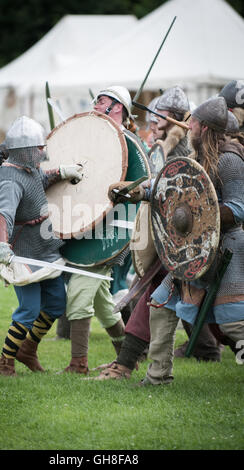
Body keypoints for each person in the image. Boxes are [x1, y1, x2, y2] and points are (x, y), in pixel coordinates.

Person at [93, 87, 222, 381]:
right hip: (179, 239)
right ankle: (138, 365)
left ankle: (138, 363)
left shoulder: (223, 160)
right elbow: (165, 184)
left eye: (160, 115)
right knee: (160, 297)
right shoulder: (195, 152)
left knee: (227, 318)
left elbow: (215, 204)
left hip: (207, 244)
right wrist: (138, 191)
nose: (153, 120)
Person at [134, 95, 244, 386]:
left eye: (193, 122)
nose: (188, 126)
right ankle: (157, 377)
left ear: (205, 128)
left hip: (225, 249)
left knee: (235, 322)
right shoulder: (198, 158)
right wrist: (140, 192)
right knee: (161, 305)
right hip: (191, 252)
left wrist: (202, 215)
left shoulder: (229, 160)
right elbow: (175, 192)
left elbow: (238, 209)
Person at [0, 115, 83, 376]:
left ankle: (27, 350)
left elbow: (39, 182)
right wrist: (1, 245)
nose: (43, 151)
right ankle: (5, 362)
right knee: (29, 309)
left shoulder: (28, 169)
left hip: (45, 250)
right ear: (23, 151)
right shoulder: (9, 179)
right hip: (23, 253)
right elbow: (2, 214)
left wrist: (61, 172)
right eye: (38, 147)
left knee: (56, 304)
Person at [61, 86, 144, 374]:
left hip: (112, 233)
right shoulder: (90, 140)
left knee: (79, 292)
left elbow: (141, 186)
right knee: (102, 301)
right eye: (96, 100)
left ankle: (78, 363)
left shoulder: (130, 143)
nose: (96, 104)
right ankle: (126, 357)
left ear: (118, 107)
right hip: (86, 226)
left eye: (103, 101)